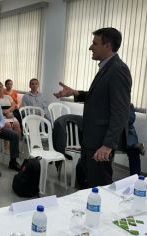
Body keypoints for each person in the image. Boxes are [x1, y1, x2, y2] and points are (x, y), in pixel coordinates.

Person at [54, 27, 132, 187]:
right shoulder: (107, 68)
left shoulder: (118, 70)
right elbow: (101, 97)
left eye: (94, 43)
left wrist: (107, 145)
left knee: (99, 188)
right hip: (91, 140)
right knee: (86, 185)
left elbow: (120, 112)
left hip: (100, 144)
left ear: (107, 45)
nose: (90, 47)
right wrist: (75, 92)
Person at [0, 82, 21, 153]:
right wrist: (4, 113)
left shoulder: (8, 97)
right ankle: (6, 147)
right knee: (8, 126)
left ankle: (15, 147)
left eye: (0, 87)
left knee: (17, 125)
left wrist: (8, 111)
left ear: (3, 88)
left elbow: (13, 105)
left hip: (10, 115)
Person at [126, 104, 145, 176]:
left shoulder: (129, 105)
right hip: (112, 136)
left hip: (128, 135)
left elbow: (131, 120)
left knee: (134, 150)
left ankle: (136, 178)